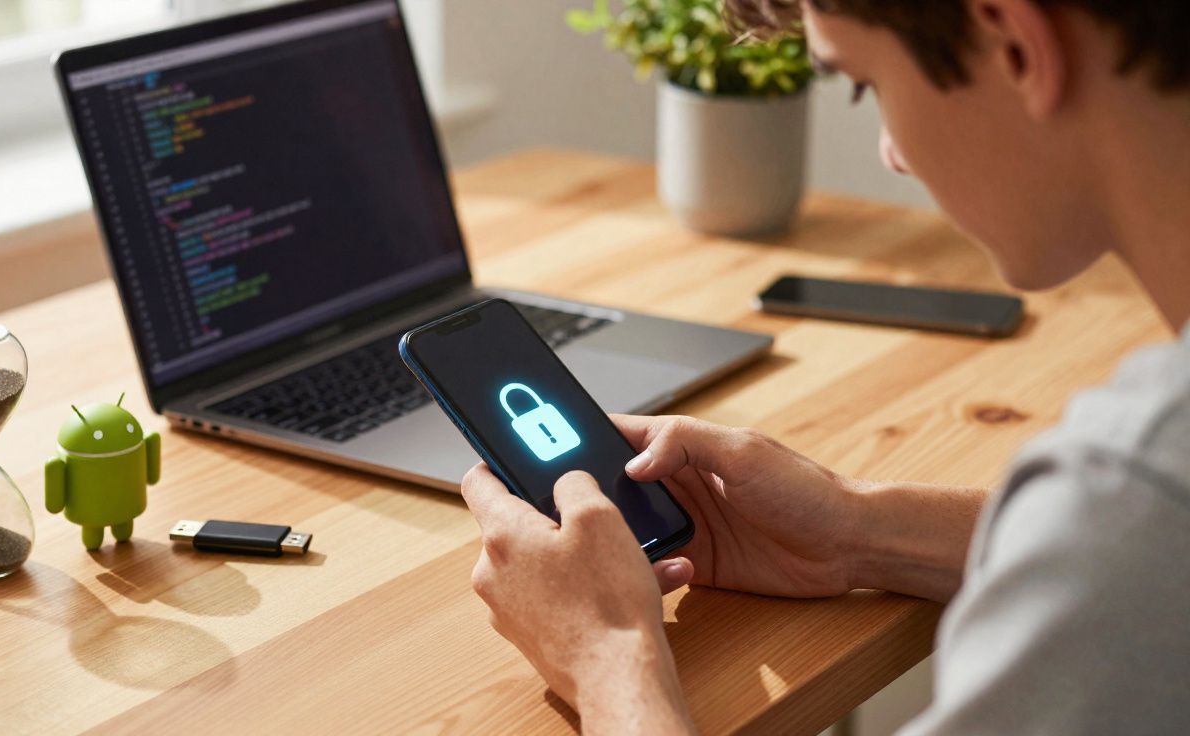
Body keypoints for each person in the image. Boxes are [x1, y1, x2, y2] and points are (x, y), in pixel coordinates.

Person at [459, 0, 1190, 733]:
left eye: (864, 85)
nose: (893, 155)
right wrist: (855, 528)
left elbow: (1128, 539)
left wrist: (606, 656)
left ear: (1016, 46)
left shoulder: (1141, 488)